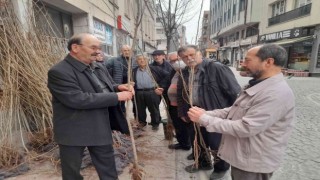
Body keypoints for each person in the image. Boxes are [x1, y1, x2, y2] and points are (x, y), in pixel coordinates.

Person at [188, 44, 295, 180]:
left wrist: (204, 119)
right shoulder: (258, 84)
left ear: (268, 62)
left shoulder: (275, 93)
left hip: (253, 162)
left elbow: (246, 127)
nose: (243, 64)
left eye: (248, 60)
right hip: (245, 156)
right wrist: (207, 114)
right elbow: (235, 109)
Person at [47, 33, 134, 180]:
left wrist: (118, 87)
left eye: (99, 48)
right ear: (75, 47)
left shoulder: (97, 66)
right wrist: (116, 97)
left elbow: (104, 86)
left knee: (108, 169)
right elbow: (76, 99)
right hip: (73, 130)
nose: (98, 51)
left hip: (99, 125)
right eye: (93, 47)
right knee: (72, 172)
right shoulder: (59, 71)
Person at [177, 45, 241, 179]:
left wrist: (232, 114)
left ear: (200, 53)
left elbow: (234, 92)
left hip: (215, 113)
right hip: (194, 113)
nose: (189, 59)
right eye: (185, 57)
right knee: (199, 140)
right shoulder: (184, 72)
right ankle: (203, 162)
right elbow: (180, 93)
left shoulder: (216, 68)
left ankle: (221, 168)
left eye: (192, 54)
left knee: (217, 143)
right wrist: (182, 112)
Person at [132, 54, 169, 130]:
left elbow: (168, 76)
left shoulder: (155, 69)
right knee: (139, 109)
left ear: (148, 60)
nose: (142, 60)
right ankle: (142, 123)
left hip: (152, 91)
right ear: (136, 61)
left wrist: (161, 86)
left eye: (144, 59)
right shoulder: (133, 71)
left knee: (153, 109)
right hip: (138, 92)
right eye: (139, 59)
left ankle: (155, 124)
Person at [167, 52, 191, 150]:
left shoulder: (188, 72)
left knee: (185, 126)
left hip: (183, 105)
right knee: (178, 125)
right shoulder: (175, 71)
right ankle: (181, 142)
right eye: (172, 61)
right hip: (173, 104)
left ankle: (187, 145)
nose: (174, 63)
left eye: (176, 60)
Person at [106, 45, 136, 114]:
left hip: (132, 84)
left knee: (135, 102)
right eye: (125, 50)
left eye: (128, 50)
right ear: (121, 51)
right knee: (121, 102)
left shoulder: (134, 60)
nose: (127, 52)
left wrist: (134, 81)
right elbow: (105, 68)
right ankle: (123, 115)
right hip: (120, 84)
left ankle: (136, 118)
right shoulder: (115, 60)